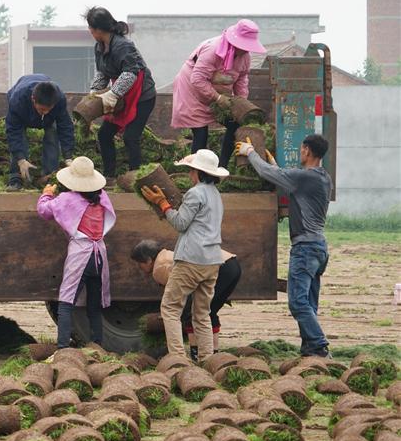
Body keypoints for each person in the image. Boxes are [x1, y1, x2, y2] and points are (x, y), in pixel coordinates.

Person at [236, 134, 332, 357]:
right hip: (318, 247)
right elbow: (288, 183)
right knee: (308, 303)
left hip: (305, 248)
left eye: (301, 149)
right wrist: (275, 165)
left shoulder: (305, 177)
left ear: (307, 151)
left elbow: (268, 175)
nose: (300, 153)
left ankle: (319, 345)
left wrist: (249, 152)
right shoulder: (323, 177)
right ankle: (310, 352)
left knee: (297, 303)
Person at [140, 149, 227, 361]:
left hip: (191, 259)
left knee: (170, 308)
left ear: (197, 172)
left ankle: (178, 358)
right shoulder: (215, 194)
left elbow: (180, 223)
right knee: (202, 313)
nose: (189, 174)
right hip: (213, 260)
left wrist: (162, 204)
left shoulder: (195, 193)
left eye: (190, 170)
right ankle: (207, 360)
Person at [36, 156, 116, 349]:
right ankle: (97, 346)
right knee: (94, 306)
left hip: (81, 254)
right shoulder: (102, 196)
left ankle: (63, 347)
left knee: (66, 301)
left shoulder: (66, 199)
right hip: (99, 255)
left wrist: (46, 194)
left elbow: (44, 211)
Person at [172, 19, 266, 166]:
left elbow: (241, 80)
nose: (246, 50)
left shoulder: (245, 57)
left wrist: (240, 104)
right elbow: (197, 79)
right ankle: (198, 173)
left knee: (234, 124)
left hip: (219, 92)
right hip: (192, 88)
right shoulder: (213, 50)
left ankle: (222, 168)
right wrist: (217, 97)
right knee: (201, 132)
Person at [131, 239, 242, 361]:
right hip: (231, 265)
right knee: (208, 312)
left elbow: (177, 293)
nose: (139, 267)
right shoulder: (167, 255)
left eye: (139, 263)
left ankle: (195, 355)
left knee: (194, 313)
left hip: (220, 268)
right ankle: (212, 355)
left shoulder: (159, 267)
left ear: (148, 260)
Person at [84, 6, 156, 178]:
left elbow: (130, 73)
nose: (90, 31)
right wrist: (94, 92)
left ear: (99, 29)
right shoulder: (99, 47)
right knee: (104, 134)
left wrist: (113, 94)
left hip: (141, 96)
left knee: (131, 137)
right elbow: (103, 72)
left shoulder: (123, 45)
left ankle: (135, 177)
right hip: (122, 96)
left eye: (91, 28)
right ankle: (109, 176)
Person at [5, 74, 75, 191]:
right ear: (33, 99)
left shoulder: (59, 99)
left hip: (48, 116)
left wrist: (68, 157)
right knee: (20, 136)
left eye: (49, 109)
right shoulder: (18, 100)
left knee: (53, 132)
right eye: (42, 109)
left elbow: (65, 126)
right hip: (23, 111)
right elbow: (13, 131)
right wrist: (21, 159)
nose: (45, 113)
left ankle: (49, 176)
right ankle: (15, 178)